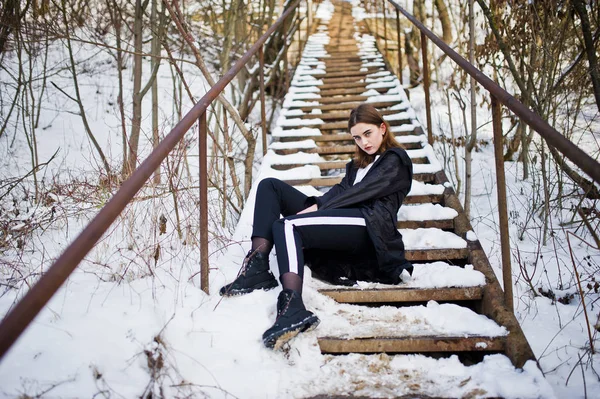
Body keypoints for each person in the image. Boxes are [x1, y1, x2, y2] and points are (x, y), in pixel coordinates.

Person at [219, 103, 414, 350]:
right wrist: (316, 205)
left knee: (287, 226)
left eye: (368, 133)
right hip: (345, 219)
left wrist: (318, 210)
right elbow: (342, 191)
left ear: (382, 128)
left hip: (371, 226)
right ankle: (257, 266)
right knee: (270, 186)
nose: (363, 142)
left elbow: (362, 193)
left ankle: (293, 307)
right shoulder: (356, 167)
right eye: (357, 137)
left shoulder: (396, 160)